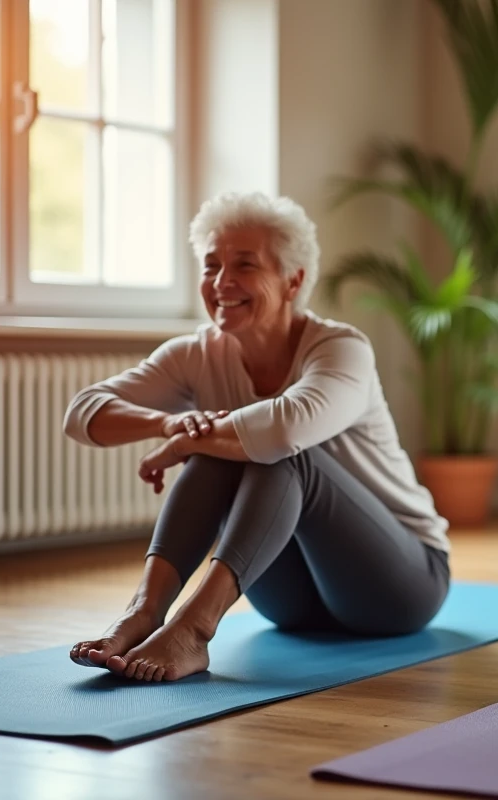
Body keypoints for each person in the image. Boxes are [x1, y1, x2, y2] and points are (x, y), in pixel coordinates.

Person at [65, 192, 450, 682]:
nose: (222, 282)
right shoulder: (196, 354)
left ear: (293, 280)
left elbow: (286, 429)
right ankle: (144, 611)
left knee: (280, 455)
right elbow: (83, 413)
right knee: (217, 448)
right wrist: (169, 425)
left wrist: (186, 441)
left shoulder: (341, 349)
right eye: (211, 266)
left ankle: (194, 628)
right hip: (290, 600)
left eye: (244, 265)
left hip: (398, 584)